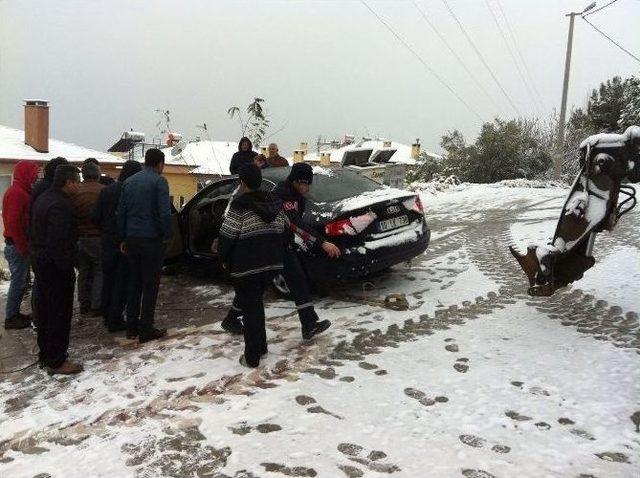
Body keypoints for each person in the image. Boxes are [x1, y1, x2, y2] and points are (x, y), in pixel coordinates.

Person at [218, 164, 286, 367]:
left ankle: (252, 357)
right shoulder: (275, 201)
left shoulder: (240, 205)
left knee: (250, 309)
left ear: (243, 182)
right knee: (256, 305)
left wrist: (223, 258)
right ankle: (262, 347)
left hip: (247, 265)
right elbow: (283, 229)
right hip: (271, 263)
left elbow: (228, 234)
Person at [276, 163, 340, 339]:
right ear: (296, 181)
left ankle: (309, 325)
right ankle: (233, 317)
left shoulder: (297, 196)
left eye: (309, 184)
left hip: (283, 244)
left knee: (298, 281)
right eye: (304, 183)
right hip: (269, 246)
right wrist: (322, 243)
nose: (307, 187)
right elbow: (294, 223)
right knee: (255, 287)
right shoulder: (283, 195)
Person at [31, 165, 83, 375]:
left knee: (45, 312)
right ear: (68, 182)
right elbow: (59, 242)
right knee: (59, 314)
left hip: (42, 264)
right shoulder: (61, 205)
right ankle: (57, 360)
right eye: (76, 182)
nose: (78, 186)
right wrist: (67, 268)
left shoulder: (43, 198)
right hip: (55, 269)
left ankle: (46, 354)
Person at [117, 148, 171, 343]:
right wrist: (167, 235)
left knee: (135, 283)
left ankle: (132, 327)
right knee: (150, 285)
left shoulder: (129, 182)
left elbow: (121, 212)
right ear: (159, 164)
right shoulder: (159, 181)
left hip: (132, 239)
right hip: (151, 240)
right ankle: (146, 328)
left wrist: (123, 237)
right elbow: (165, 213)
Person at [93, 160, 142, 332]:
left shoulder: (106, 191)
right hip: (125, 243)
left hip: (107, 242)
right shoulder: (131, 191)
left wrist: (105, 231)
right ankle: (115, 319)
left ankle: (106, 315)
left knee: (108, 280)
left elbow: (95, 216)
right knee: (123, 282)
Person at [2, 161, 40, 329]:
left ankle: (14, 314)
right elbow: (14, 223)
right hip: (17, 245)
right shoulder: (17, 193)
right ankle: (11, 317)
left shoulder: (22, 191)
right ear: (25, 173)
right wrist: (23, 247)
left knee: (21, 282)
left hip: (18, 244)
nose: (36, 176)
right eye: (33, 172)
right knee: (18, 282)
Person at [73, 162, 105, 317]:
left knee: (83, 271)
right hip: (97, 237)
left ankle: (83, 304)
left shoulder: (75, 191)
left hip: (79, 237)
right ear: (97, 174)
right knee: (99, 270)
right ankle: (96, 305)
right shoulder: (102, 191)